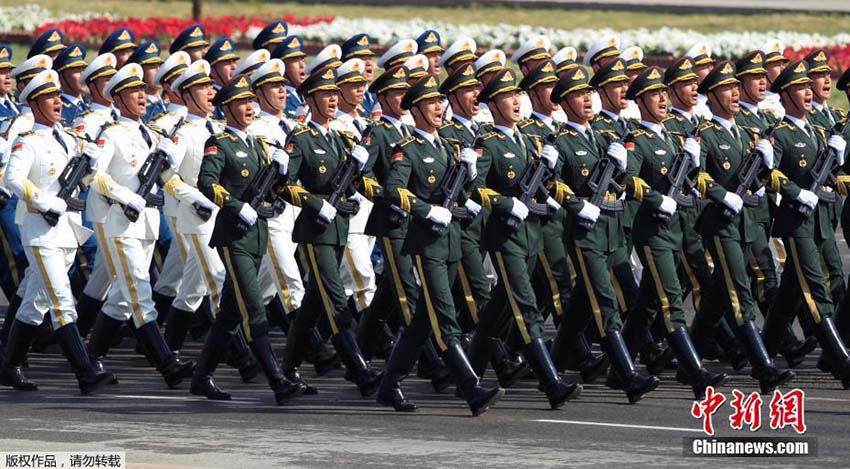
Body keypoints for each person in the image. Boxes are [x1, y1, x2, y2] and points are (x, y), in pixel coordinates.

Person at [377, 73, 505, 414]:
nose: (439, 107)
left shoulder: (449, 147)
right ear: (416, 109)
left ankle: (389, 384)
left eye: (440, 101)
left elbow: (460, 194)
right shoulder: (406, 149)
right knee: (444, 315)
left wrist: (471, 183)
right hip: (426, 242)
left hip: (451, 242)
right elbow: (395, 192)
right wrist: (426, 210)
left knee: (422, 321)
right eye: (431, 102)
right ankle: (471, 387)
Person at [191, 75, 306, 404]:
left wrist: (282, 173)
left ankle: (201, 377)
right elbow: (207, 183)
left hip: (256, 235)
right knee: (254, 307)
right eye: (242, 103)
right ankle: (277, 380)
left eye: (251, 102)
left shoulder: (257, 145)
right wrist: (236, 205)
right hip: (233, 235)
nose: (249, 108)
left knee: (229, 312)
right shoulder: (219, 142)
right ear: (226, 108)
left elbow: (273, 191)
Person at [0, 69, 114, 394]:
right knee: (62, 300)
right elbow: (13, 179)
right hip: (40, 231)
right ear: (34, 103)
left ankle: (8, 366)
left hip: (66, 232)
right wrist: (43, 200)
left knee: (33, 303)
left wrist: (91, 165)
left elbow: (84, 181)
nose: (58, 102)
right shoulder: (28, 141)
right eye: (50, 98)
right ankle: (85, 372)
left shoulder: (68, 138)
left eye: (57, 96)